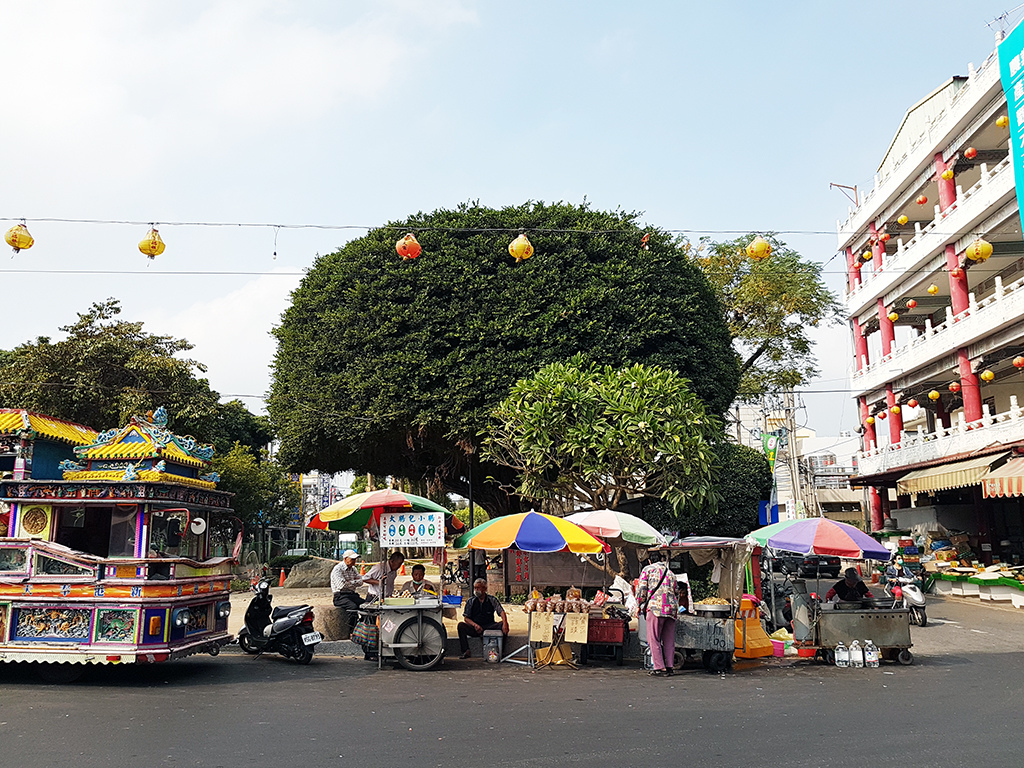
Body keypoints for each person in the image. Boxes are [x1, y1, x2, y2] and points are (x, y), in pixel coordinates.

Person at [636, 551, 679, 677]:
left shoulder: (647, 570)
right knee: (669, 639)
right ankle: (670, 666)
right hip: (671, 609)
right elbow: (676, 591)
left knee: (653, 638)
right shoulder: (671, 573)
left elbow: (642, 590)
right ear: (661, 559)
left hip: (656, 608)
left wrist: (639, 604)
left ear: (650, 561)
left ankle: (659, 667)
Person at [457, 578, 508, 659]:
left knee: (503, 625)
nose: (476, 590)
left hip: (489, 627)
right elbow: (466, 618)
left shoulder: (492, 600)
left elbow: (501, 611)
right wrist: (475, 625)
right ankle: (465, 650)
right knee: (461, 626)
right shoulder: (471, 601)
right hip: (475, 627)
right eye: (475, 588)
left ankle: (501, 651)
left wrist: (505, 623)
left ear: (484, 589)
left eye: (478, 588)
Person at [330, 549, 364, 638]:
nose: (354, 561)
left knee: (366, 605)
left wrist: (349, 582)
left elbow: (361, 582)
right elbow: (341, 585)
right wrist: (354, 582)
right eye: (352, 559)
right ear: (345, 559)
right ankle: (351, 630)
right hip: (340, 596)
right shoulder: (337, 569)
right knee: (353, 607)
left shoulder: (353, 569)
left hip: (351, 594)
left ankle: (363, 627)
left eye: (355, 559)